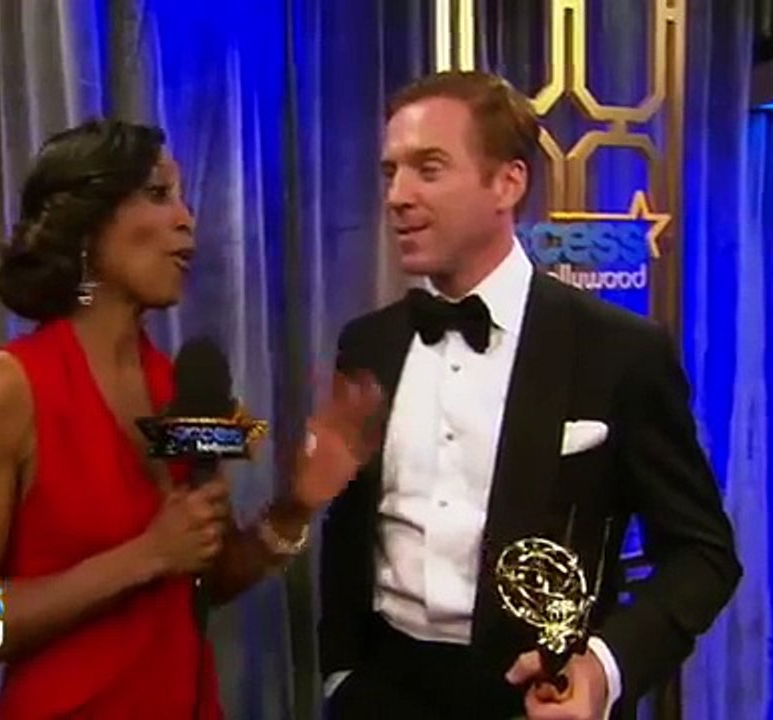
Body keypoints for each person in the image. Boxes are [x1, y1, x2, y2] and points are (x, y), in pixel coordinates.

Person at [0, 118, 382, 719]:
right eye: (159, 195)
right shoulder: (4, 391)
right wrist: (143, 557)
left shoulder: (180, 385)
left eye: (183, 198)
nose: (187, 219)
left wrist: (295, 506)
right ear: (87, 223)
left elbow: (202, 582)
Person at [318, 71, 742, 720]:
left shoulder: (619, 351)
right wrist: (340, 677)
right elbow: (349, 531)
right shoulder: (366, 345)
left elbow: (702, 554)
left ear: (507, 183)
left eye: (428, 169)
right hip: (382, 693)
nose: (398, 196)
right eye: (389, 172)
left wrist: (602, 669)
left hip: (539, 696)